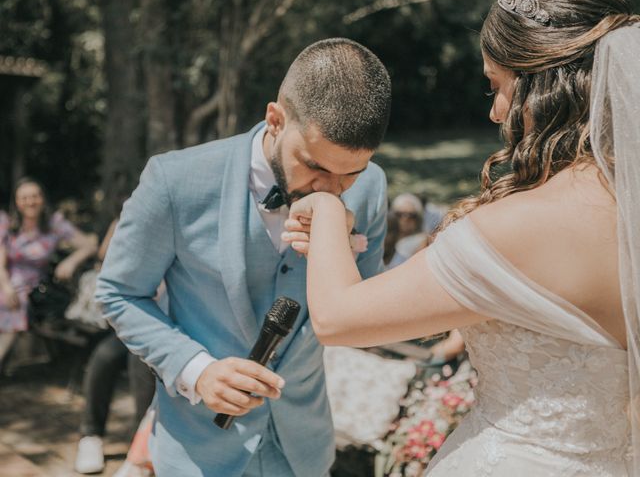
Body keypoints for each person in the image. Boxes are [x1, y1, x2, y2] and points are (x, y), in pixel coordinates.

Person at [284, 0, 640, 475]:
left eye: (496, 86)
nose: (495, 112)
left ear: (543, 84)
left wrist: (327, 208)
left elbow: (337, 318)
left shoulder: (518, 226)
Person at [95, 38, 391, 477]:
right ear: (275, 119)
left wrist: (336, 251)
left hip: (304, 452)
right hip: (198, 453)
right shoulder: (174, 181)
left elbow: (361, 322)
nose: (331, 190)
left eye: (350, 174)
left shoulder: (371, 189)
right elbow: (118, 293)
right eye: (315, 167)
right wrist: (197, 371)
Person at [74, 218, 157, 475]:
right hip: (136, 324)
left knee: (139, 363)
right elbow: (105, 256)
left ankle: (141, 450)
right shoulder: (130, 219)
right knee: (104, 357)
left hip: (166, 328)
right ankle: (91, 435)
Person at [0, 177, 97, 371]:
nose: (30, 202)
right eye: (24, 197)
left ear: (43, 199)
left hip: (31, 289)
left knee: (14, 307)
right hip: (5, 281)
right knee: (8, 301)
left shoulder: (54, 224)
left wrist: (71, 260)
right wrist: (6, 286)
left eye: (35, 196)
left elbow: (90, 245)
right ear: (17, 202)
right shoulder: (7, 224)